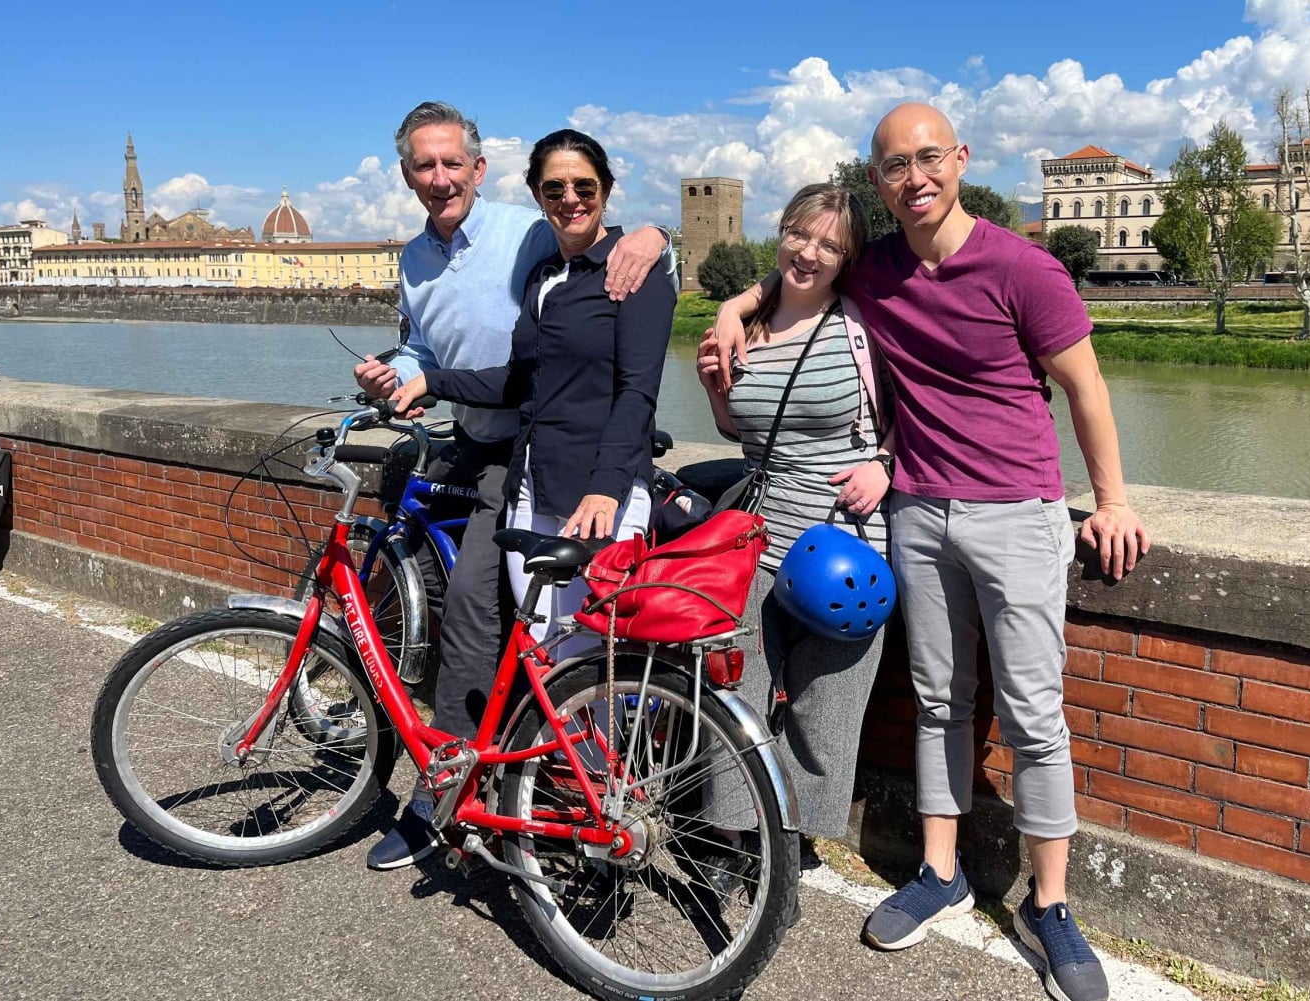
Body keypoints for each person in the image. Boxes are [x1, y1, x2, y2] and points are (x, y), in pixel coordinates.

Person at [705, 103, 1149, 1001]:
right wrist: (735, 301)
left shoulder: (1026, 267)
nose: (915, 178)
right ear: (878, 181)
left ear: (960, 160)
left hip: (1019, 512)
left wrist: (1111, 501)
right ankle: (941, 874)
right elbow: (802, 273)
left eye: (928, 159)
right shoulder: (877, 264)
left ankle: (1050, 904)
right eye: (895, 165)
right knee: (941, 700)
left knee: (1032, 711)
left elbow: (1087, 388)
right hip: (916, 511)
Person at [357, 102, 670, 870]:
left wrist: (659, 236)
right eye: (424, 167)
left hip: (579, 479)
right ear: (406, 175)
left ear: (479, 168)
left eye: (451, 163)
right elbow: (507, 373)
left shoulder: (538, 240)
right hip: (506, 456)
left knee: (550, 639)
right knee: (509, 630)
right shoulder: (530, 274)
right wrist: (411, 376)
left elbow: (638, 381)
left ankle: (503, 796)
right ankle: (500, 786)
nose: (439, 178)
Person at [393, 128, 674, 641]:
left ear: (605, 190)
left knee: (594, 661)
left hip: (597, 494)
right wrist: (432, 380)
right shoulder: (543, 277)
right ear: (537, 195)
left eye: (584, 188)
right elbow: (521, 381)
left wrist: (604, 491)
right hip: (532, 487)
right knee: (543, 653)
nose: (571, 201)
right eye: (554, 190)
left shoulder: (634, 273)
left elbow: (638, 393)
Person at [694, 182, 892, 847]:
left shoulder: (865, 324)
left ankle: (797, 837)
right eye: (799, 235)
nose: (809, 253)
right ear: (780, 232)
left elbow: (921, 414)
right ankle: (732, 832)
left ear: (848, 256)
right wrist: (714, 392)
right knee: (735, 689)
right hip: (756, 534)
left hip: (845, 542)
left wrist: (885, 463)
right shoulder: (745, 323)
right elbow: (740, 434)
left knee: (825, 704)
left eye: (830, 244)